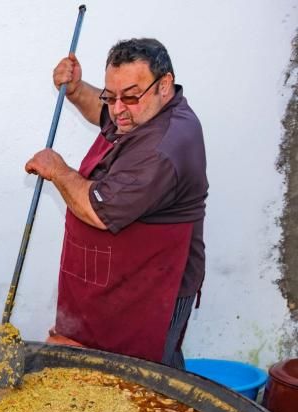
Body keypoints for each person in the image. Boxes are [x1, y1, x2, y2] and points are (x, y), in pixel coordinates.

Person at [24, 38, 207, 369]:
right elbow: (109, 113)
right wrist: (78, 89)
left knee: (149, 384)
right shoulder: (141, 113)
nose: (118, 108)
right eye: (112, 96)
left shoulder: (163, 148)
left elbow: (98, 209)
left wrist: (58, 171)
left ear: (164, 85)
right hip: (114, 281)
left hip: (152, 291)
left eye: (131, 96)